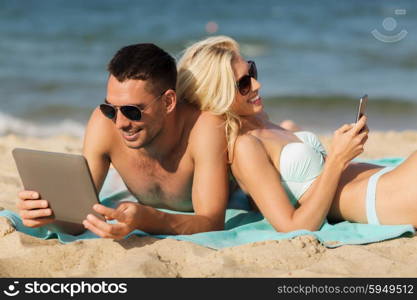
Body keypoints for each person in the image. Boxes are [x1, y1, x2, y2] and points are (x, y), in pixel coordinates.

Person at [176, 35, 417, 232]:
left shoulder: (261, 121)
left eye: (252, 72)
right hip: (383, 198)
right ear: (218, 94)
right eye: (243, 84)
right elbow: (293, 226)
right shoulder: (245, 147)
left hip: (389, 179)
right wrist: (337, 159)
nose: (256, 85)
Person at [16, 43, 230, 238]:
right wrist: (49, 217)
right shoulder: (103, 125)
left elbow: (211, 223)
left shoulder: (204, 128)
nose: (119, 123)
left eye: (132, 111)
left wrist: (148, 219)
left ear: (168, 101)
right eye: (110, 109)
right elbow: (79, 219)